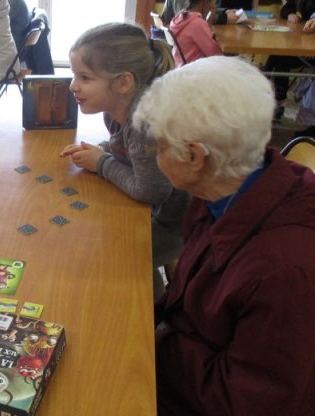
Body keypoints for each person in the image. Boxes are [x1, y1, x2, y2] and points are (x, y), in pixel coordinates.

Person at [132, 55, 315, 415]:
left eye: (161, 146)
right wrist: (136, 318)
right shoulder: (227, 186)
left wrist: (153, 340)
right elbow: (189, 302)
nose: (156, 156)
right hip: (180, 364)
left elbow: (246, 400)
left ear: (195, 156)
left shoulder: (284, 272)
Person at [59, 23, 189, 298]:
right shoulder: (115, 109)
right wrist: (102, 150)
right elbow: (126, 150)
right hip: (156, 215)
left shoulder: (145, 123)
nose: (73, 86)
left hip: (178, 226)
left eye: (85, 77)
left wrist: (102, 163)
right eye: (74, 75)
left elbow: (151, 191)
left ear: (123, 82)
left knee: (104, 257)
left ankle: (154, 310)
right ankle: (154, 296)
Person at [263, 0, 315, 121]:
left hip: (311, 51)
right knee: (277, 52)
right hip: (301, 42)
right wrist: (291, 14)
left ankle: (272, 91)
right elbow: (286, 9)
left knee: (280, 58)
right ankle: (273, 94)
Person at [169, 0, 222, 67]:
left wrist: (209, 20)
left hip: (180, 65)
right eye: (213, 1)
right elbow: (215, 55)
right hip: (194, 69)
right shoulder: (197, 24)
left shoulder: (180, 17)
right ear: (206, 1)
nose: (214, 5)